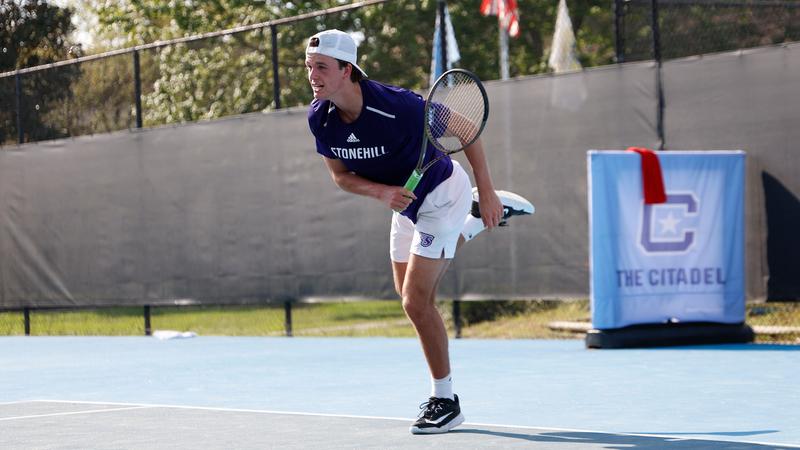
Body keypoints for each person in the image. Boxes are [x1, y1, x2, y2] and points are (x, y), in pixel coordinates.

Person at [305, 29, 534, 434]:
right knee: (408, 295)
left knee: (415, 301)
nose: (313, 75)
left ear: (348, 70)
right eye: (309, 67)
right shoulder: (319, 118)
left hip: (444, 194)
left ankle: (445, 400)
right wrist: (381, 192)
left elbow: (466, 128)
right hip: (406, 204)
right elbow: (341, 177)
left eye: (321, 67)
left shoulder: (400, 107)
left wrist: (485, 188)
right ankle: (478, 220)